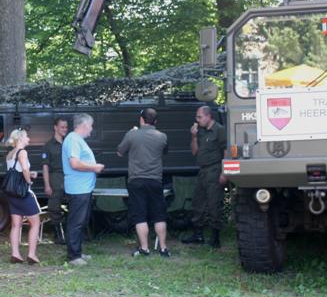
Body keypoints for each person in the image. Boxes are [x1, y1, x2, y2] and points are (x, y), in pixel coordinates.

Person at [117, 107, 170, 257]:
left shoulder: (132, 135)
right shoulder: (162, 136)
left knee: (140, 215)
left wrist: (131, 133)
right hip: (155, 181)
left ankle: (145, 248)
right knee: (159, 215)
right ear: (156, 121)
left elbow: (120, 152)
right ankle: (163, 248)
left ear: (141, 119)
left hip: (136, 181)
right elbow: (164, 151)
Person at [183, 105, 228, 248]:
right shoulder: (200, 131)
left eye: (199, 117)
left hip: (215, 170)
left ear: (209, 116)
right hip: (202, 171)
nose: (197, 120)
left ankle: (215, 238)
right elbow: (194, 152)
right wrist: (194, 136)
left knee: (214, 204)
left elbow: (226, 151)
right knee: (198, 203)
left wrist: (224, 172)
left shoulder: (219, 130)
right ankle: (198, 235)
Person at [62, 113, 104, 266]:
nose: (91, 130)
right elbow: (74, 163)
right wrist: (94, 167)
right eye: (91, 126)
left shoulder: (77, 139)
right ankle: (73, 257)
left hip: (83, 188)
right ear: (84, 125)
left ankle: (77, 252)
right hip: (78, 188)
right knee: (76, 222)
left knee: (81, 221)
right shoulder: (73, 139)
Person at [4, 128, 42, 265]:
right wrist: (29, 180)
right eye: (26, 136)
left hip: (11, 193)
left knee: (16, 224)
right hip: (23, 193)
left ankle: (15, 253)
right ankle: (31, 254)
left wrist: (29, 173)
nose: (29, 139)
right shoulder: (23, 152)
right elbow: (24, 170)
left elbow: (15, 171)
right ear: (20, 139)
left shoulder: (10, 153)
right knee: (35, 222)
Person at [40, 116, 69, 244]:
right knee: (54, 207)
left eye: (66, 127)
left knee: (74, 206)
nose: (65, 129)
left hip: (69, 178)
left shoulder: (69, 143)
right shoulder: (48, 146)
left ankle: (71, 233)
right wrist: (47, 185)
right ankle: (58, 234)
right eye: (62, 127)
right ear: (55, 128)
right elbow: (45, 167)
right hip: (55, 178)